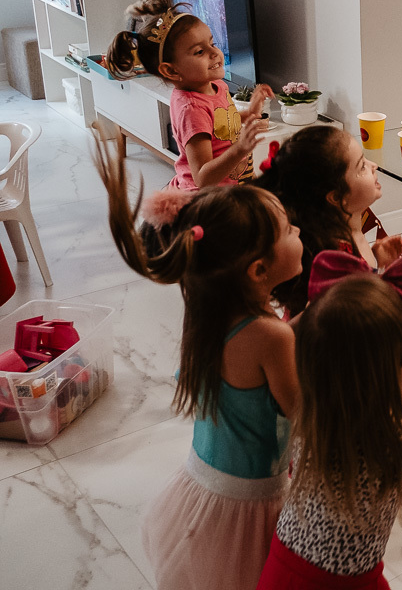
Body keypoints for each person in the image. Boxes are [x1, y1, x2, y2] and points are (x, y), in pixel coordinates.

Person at [94, 136, 303, 589]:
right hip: (251, 506)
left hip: (200, 490)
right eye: (289, 230)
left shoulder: (208, 308)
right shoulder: (272, 335)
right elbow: (304, 412)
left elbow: (248, 366)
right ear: (259, 271)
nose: (299, 233)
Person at [256, 270, 402, 589]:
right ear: (389, 369)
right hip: (342, 582)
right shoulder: (390, 437)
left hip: (285, 564)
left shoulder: (310, 400)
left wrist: (396, 377)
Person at [105, 0, 273, 190]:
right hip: (209, 201)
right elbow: (202, 178)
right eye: (199, 52)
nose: (214, 53)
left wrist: (250, 113)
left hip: (234, 187)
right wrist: (240, 149)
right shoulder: (191, 110)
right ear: (171, 70)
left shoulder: (216, 85)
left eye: (212, 44)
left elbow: (220, 125)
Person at [255, 126, 402, 317]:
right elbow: (360, 320)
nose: (373, 165)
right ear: (336, 197)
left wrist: (376, 257)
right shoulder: (334, 260)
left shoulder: (344, 233)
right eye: (361, 166)